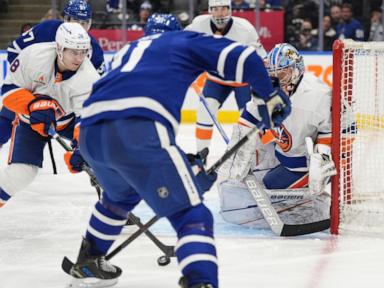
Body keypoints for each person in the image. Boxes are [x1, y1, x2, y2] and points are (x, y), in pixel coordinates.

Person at [64, 15, 291, 288]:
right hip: (139, 126)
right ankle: (201, 282)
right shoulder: (182, 40)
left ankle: (89, 260)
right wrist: (268, 98)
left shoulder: (127, 52)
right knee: (193, 215)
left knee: (118, 197)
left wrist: (185, 168)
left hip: (91, 131)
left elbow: (142, 156)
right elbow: (248, 58)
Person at [217, 43, 336, 228]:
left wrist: (321, 157)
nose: (277, 80)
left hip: (302, 165)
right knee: (247, 175)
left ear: (296, 71)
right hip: (281, 153)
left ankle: (308, 207)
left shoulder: (318, 95)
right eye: (272, 75)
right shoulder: (266, 91)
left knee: (270, 185)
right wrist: (236, 152)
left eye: (283, 74)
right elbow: (247, 121)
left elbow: (330, 133)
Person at [0, 22, 99, 208]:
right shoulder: (33, 56)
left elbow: (87, 120)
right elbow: (7, 91)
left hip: (68, 122)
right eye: (74, 52)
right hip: (30, 123)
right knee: (22, 172)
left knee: (101, 152)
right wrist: (32, 105)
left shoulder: (89, 79)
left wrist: (83, 148)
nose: (79, 58)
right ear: (59, 48)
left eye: (83, 51)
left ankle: (114, 205)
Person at [0, 0, 105, 150]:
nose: (80, 27)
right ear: (65, 19)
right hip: (32, 90)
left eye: (84, 23)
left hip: (64, 105)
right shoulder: (46, 30)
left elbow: (92, 94)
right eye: (75, 22)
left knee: (92, 136)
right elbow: (14, 51)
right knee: (6, 118)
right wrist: (30, 87)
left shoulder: (94, 51)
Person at [185, 0, 266, 157]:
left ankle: (255, 157)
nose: (220, 13)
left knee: (249, 119)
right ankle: (201, 156)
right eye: (215, 9)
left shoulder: (245, 29)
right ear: (209, 10)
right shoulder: (199, 24)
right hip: (216, 78)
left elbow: (261, 57)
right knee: (204, 112)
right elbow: (181, 43)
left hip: (242, 80)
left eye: (223, 9)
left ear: (230, 9)